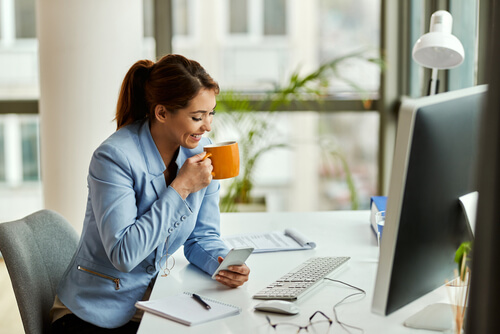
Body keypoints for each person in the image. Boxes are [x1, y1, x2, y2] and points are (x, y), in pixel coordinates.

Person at [51, 54, 250, 333]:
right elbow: (124, 254)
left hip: (152, 305)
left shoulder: (200, 151)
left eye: (211, 113)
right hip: (92, 313)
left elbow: (201, 237)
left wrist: (222, 263)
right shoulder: (113, 158)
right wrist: (181, 187)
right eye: (197, 117)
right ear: (162, 113)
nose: (207, 126)